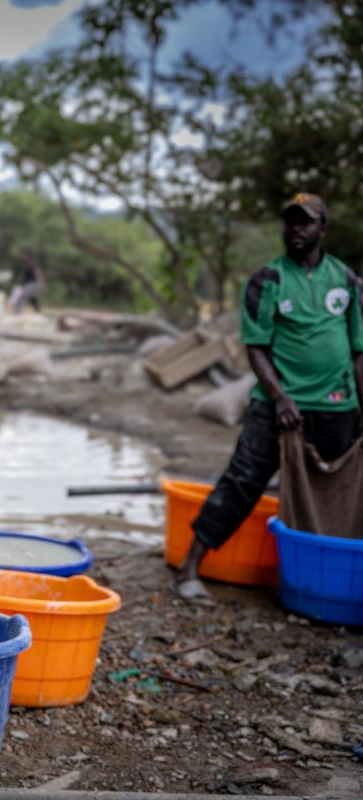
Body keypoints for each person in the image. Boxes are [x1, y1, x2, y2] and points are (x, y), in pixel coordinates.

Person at [174, 193, 363, 601]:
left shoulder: (347, 281)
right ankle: (189, 567)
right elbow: (256, 347)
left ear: (322, 230)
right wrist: (279, 399)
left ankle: (327, 583)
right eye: (290, 222)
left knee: (336, 492)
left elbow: (358, 351)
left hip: (336, 407)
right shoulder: (267, 281)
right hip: (276, 408)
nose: (296, 230)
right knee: (242, 481)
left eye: (306, 222)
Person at [10, 249, 45, 313]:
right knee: (33, 299)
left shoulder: (32, 263)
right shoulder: (26, 264)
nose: (22, 256)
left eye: (24, 255)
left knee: (21, 297)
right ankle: (37, 312)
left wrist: (41, 284)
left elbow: (37, 273)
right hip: (27, 284)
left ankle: (17, 312)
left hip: (32, 284)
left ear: (29, 256)